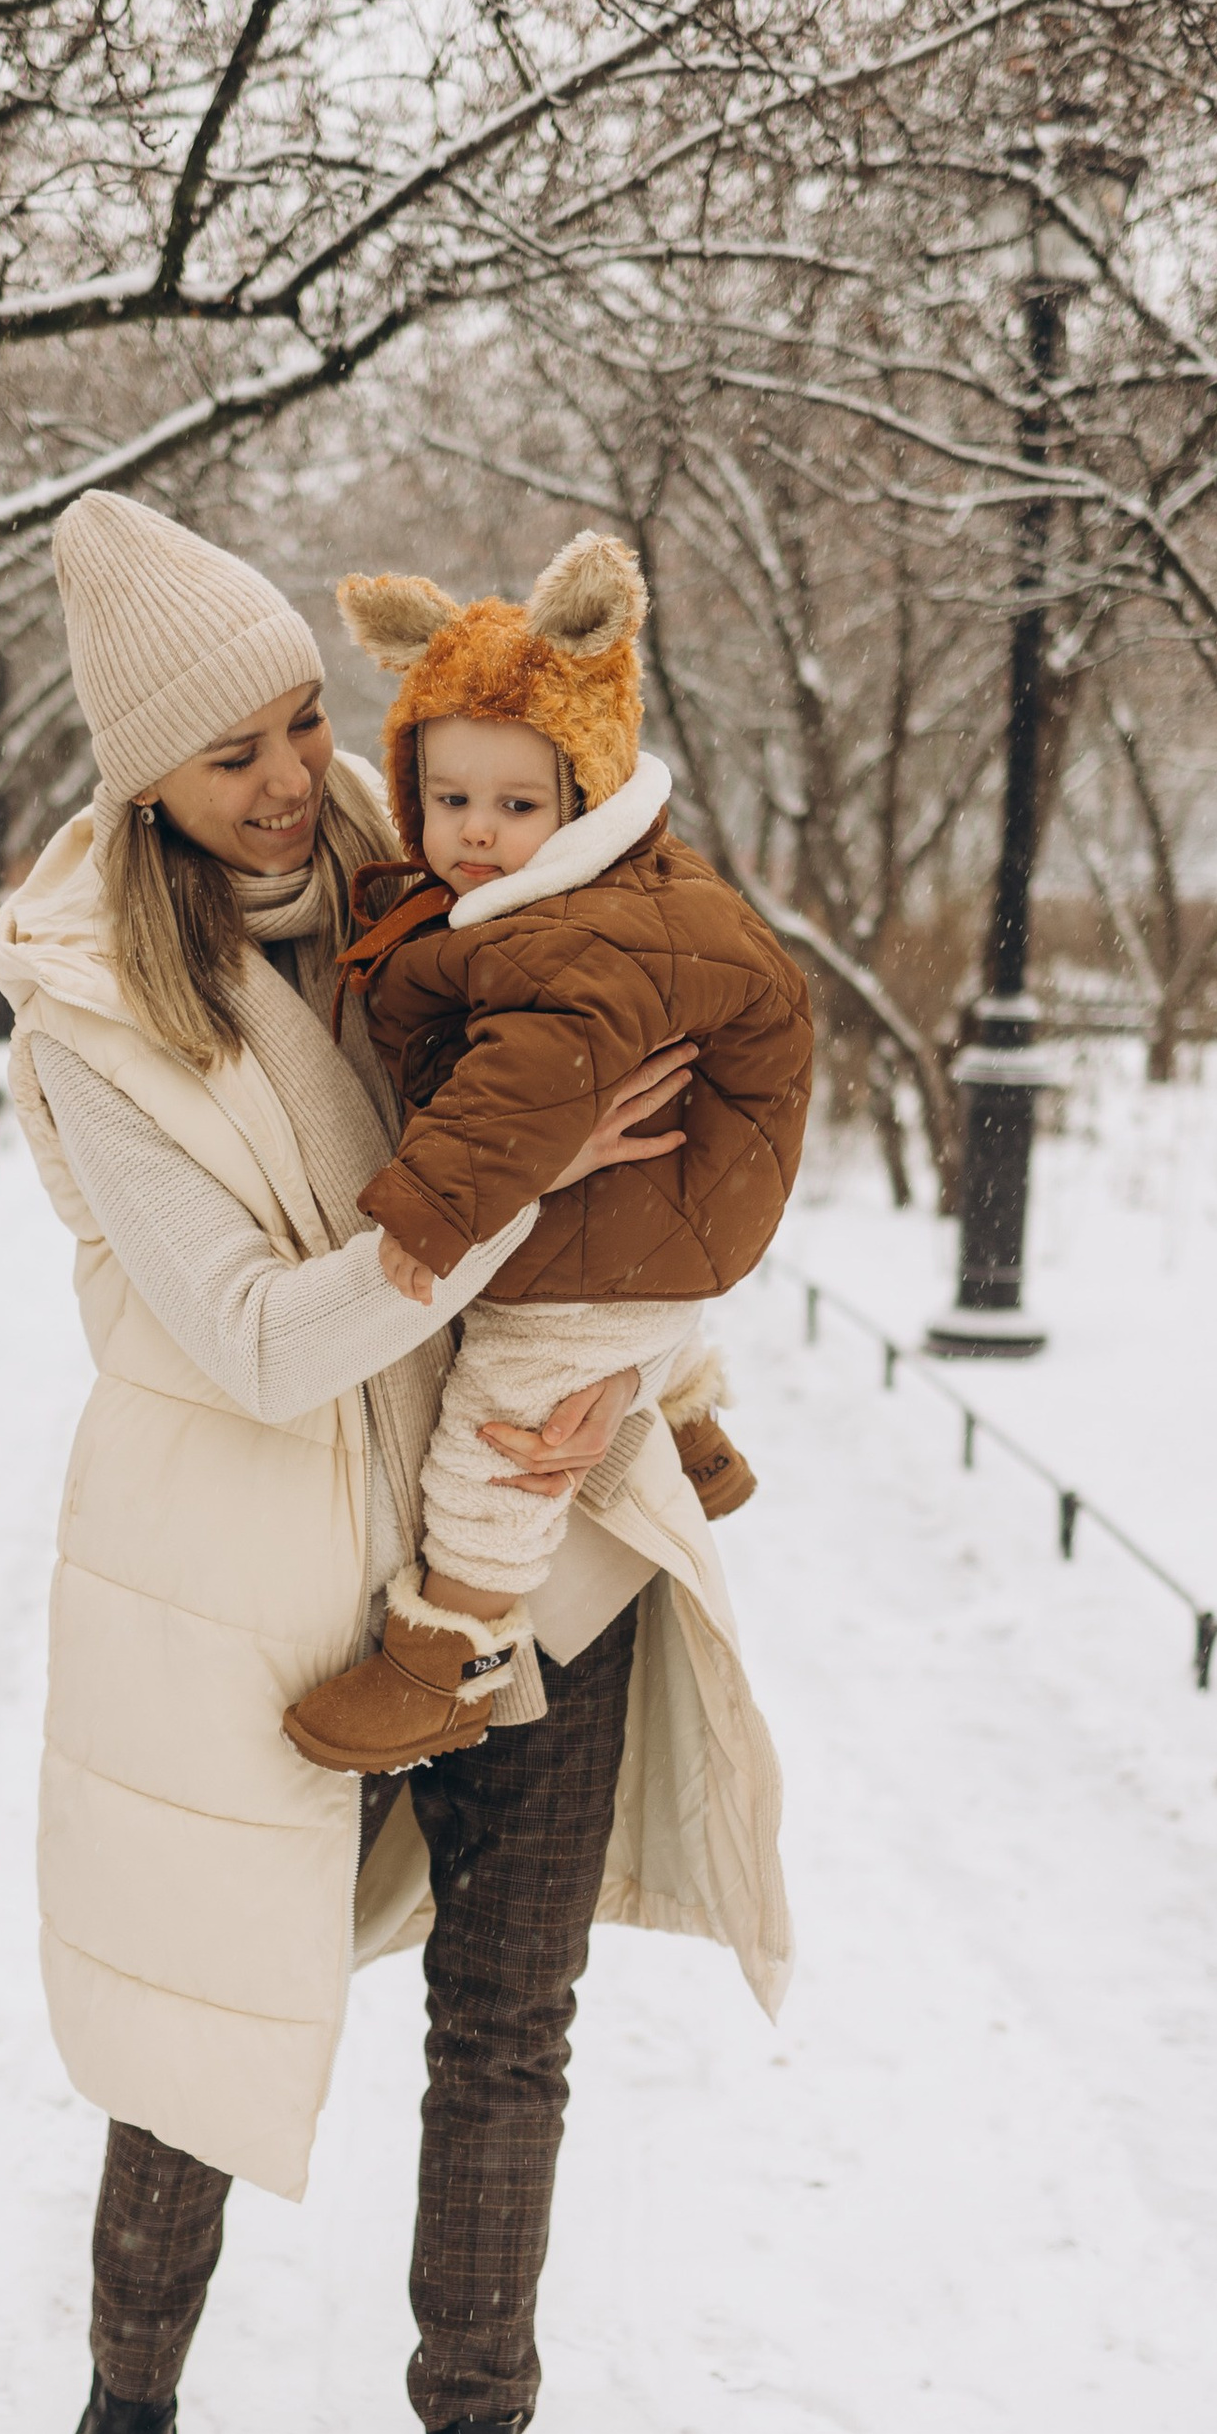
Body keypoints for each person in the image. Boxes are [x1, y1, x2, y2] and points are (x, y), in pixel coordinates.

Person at [0, 491, 792, 2434]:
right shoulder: (95, 1009)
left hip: (526, 1532)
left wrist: (637, 1302)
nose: (287, 774)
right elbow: (251, 1337)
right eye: (230, 750)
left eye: (290, 718)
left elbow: (679, 996)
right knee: (199, 2005)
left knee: (506, 2028)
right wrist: (530, 1198)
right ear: (137, 773)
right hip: (259, 1559)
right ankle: (126, 2414)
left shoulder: (443, 844)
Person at [280, 532, 814, 1776]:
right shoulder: (597, 892)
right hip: (664, 1216)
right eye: (449, 799)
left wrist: (431, 1214)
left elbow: (527, 1087)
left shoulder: (575, 937)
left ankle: (448, 1652)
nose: (473, 833)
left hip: (616, 1241)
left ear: (582, 790)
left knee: (503, 1421)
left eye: (516, 806)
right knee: (613, 1318)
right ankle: (690, 1432)